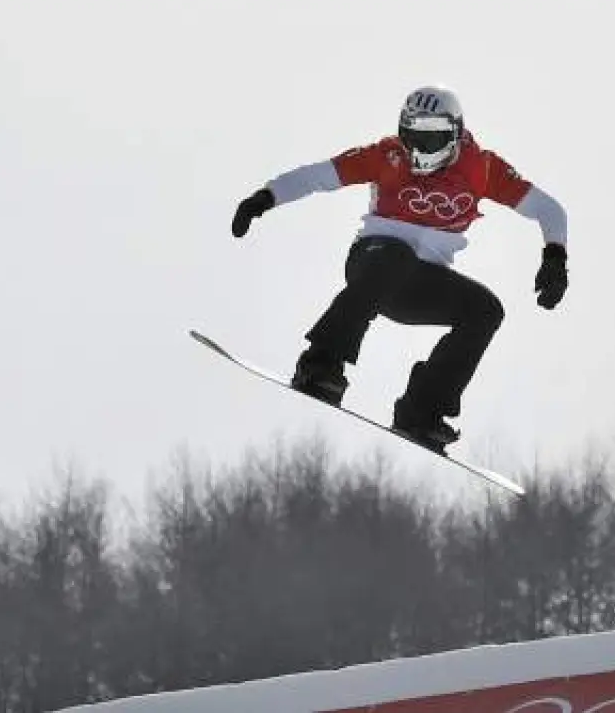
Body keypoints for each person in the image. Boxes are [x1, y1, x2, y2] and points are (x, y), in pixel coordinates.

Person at [230, 84, 569, 453]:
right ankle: (321, 363)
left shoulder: (483, 169)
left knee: (486, 310)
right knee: (397, 257)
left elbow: (550, 210)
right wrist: (263, 199)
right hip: (372, 263)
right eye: (412, 137)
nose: (419, 150)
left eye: (431, 139)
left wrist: (555, 257)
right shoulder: (387, 155)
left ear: (455, 135)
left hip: (420, 285)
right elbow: (316, 176)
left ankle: (421, 412)